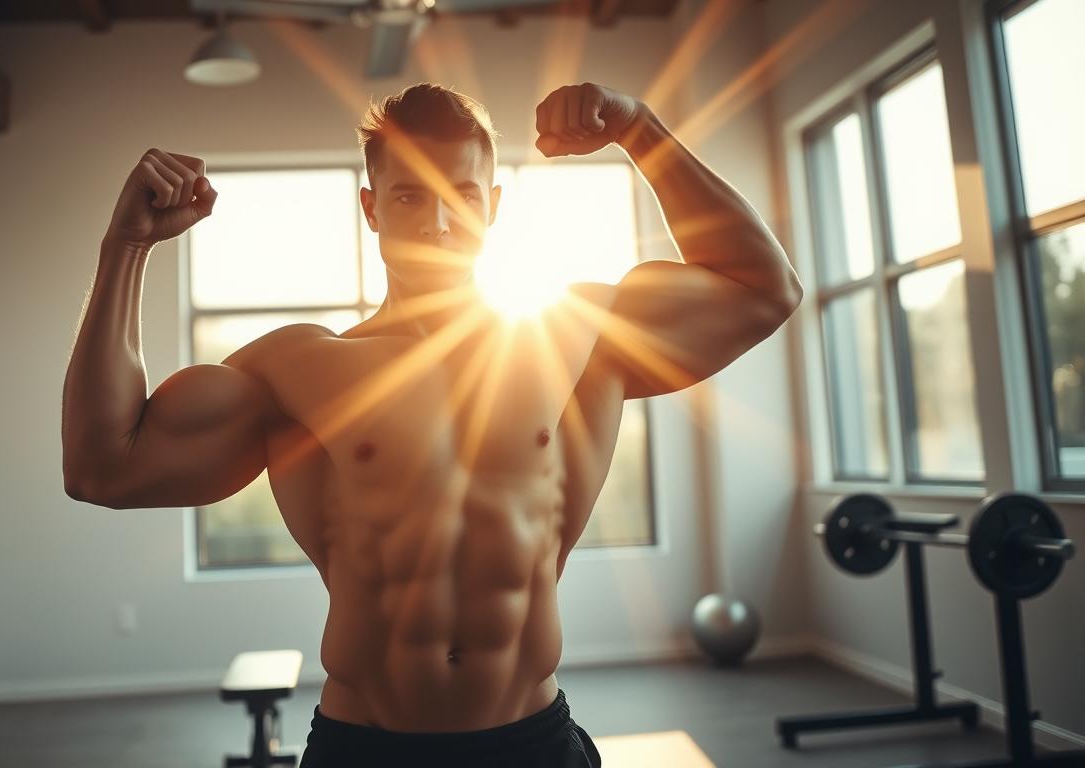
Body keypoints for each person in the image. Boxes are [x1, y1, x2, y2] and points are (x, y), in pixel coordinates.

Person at [62, 81, 802, 767]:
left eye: (462, 194)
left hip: (532, 741)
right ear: (371, 207)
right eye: (410, 196)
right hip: (365, 747)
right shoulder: (300, 369)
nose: (440, 224)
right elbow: (104, 467)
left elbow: (764, 291)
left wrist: (640, 129)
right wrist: (125, 248)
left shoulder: (579, 336)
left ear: (493, 205)